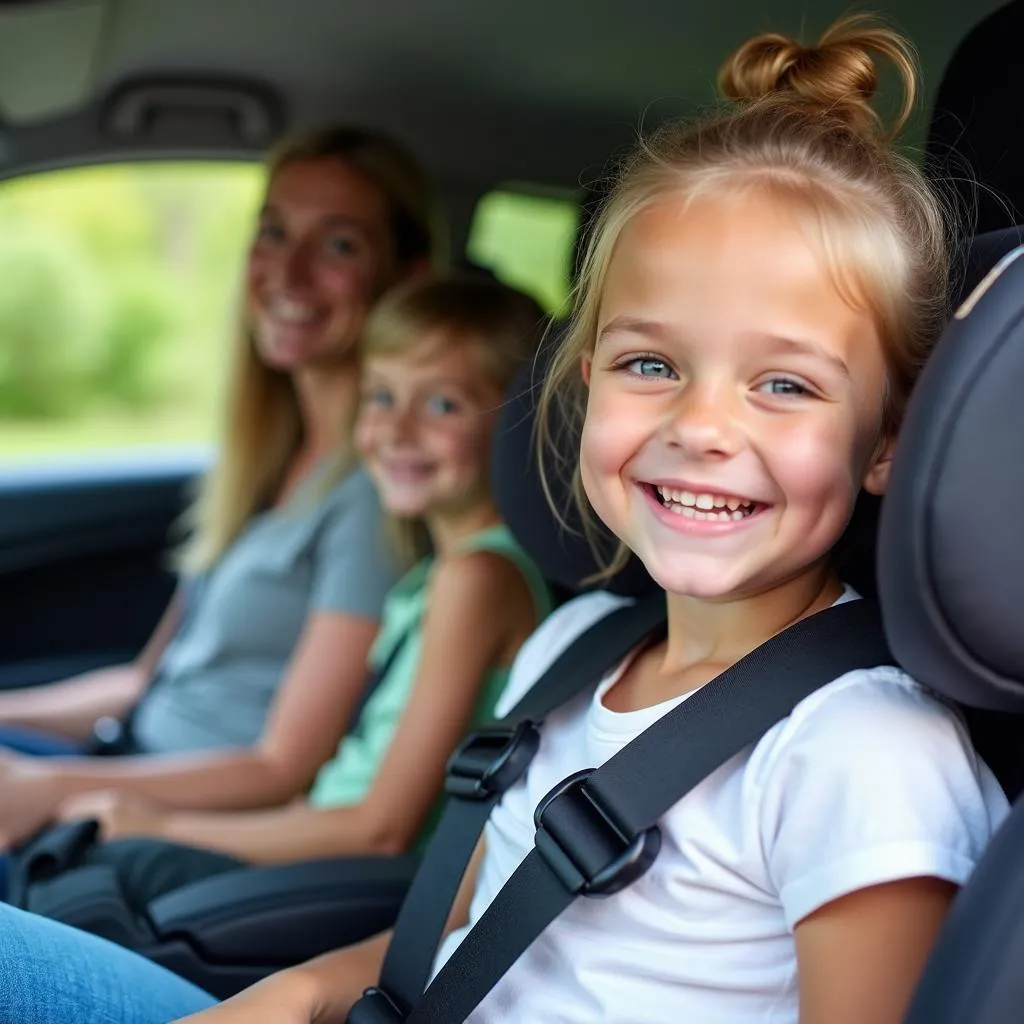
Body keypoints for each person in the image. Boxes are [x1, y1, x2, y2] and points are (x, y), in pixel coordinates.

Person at [0, 15, 1009, 1024]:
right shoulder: (570, 651)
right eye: (649, 364)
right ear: (581, 387)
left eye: (784, 383)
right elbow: (460, 928)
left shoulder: (861, 751)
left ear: (889, 437)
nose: (701, 425)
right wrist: (294, 992)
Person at [5, 275, 553, 911]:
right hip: (317, 854)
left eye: (442, 406)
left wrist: (160, 823)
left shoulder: (476, 580)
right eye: (381, 396)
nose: (397, 429)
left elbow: (382, 827)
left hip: (339, 890)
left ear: (515, 423)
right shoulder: (438, 575)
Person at [0, 125, 440, 851]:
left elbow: (284, 766)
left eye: (338, 245)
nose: (288, 273)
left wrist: (54, 788)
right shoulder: (265, 464)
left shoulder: (368, 499)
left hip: (170, 824)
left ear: (407, 278)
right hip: (124, 764)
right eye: (272, 233)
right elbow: (144, 684)